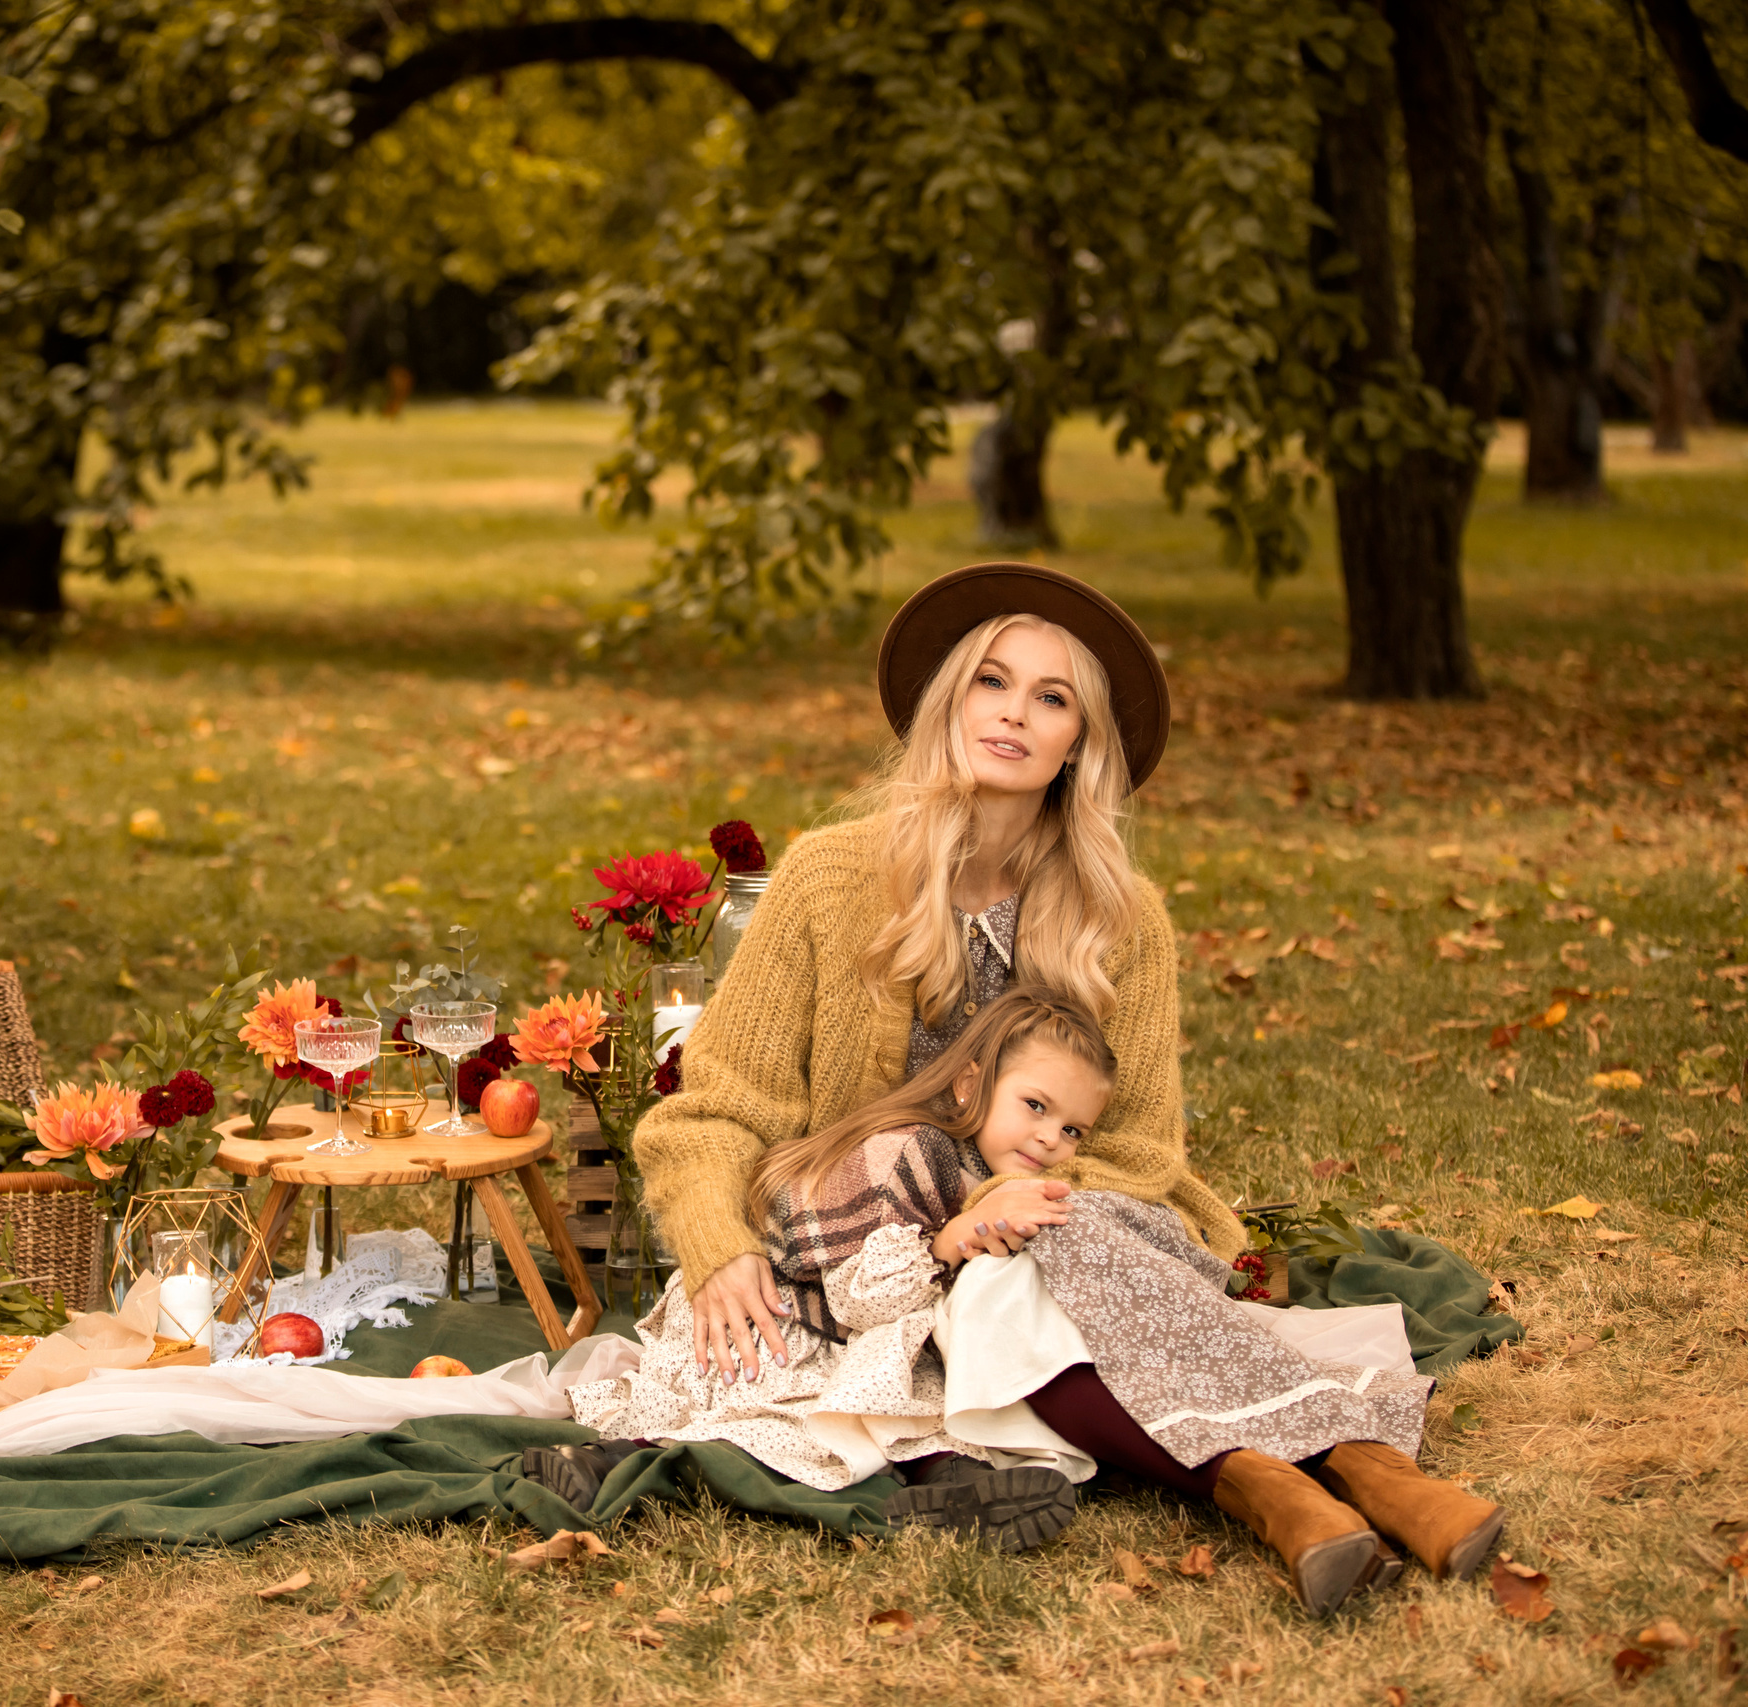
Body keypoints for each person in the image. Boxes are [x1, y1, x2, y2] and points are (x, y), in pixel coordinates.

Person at [624, 562, 1502, 1615]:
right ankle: (1292, 1481)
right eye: (992, 682)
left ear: (1079, 741)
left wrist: (1014, 1205)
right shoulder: (829, 877)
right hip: (877, 1246)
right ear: (950, 700)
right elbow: (720, 1105)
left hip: (1068, 1232)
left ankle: (1363, 1480)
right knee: (1002, 1282)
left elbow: (1136, 1153)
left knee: (1029, 1263)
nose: (1013, 714)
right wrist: (721, 1250)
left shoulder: (1121, 916)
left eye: (1053, 698)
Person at [555, 988, 1116, 1553]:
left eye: (1073, 1130)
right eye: (1036, 1106)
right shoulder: (914, 1152)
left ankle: (955, 1486)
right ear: (971, 1085)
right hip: (777, 1313)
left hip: (857, 1328)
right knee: (777, 1419)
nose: (1050, 1138)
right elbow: (860, 1301)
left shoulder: (983, 1168)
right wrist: (950, 1242)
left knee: (922, 1406)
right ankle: (606, 1463)